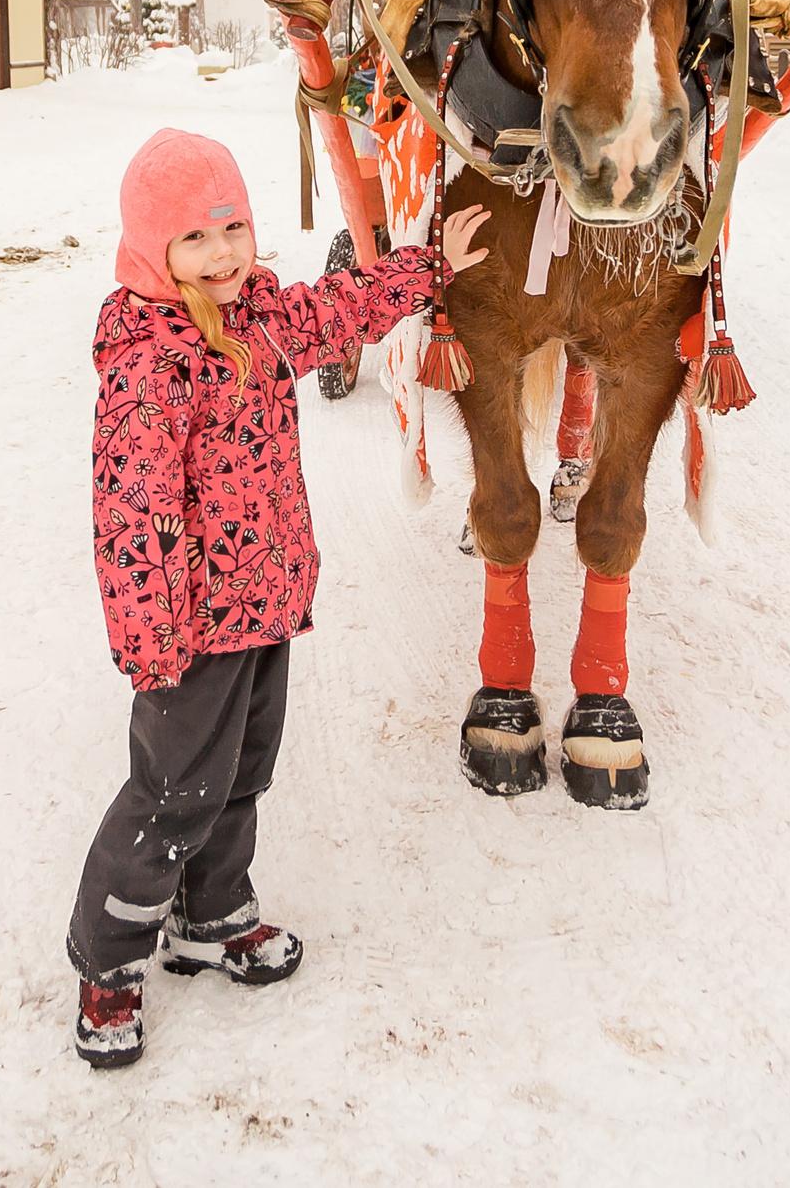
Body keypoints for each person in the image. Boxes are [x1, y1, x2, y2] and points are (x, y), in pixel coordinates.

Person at [70, 128, 491, 1068]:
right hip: (189, 629)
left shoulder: (259, 314)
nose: (223, 254)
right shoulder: (150, 360)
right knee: (174, 790)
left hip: (263, 598)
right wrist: (151, 639)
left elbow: (339, 311)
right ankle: (109, 961)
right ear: (152, 250)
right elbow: (130, 514)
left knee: (243, 771)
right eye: (195, 238)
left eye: (235, 227)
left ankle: (212, 916)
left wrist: (430, 268)